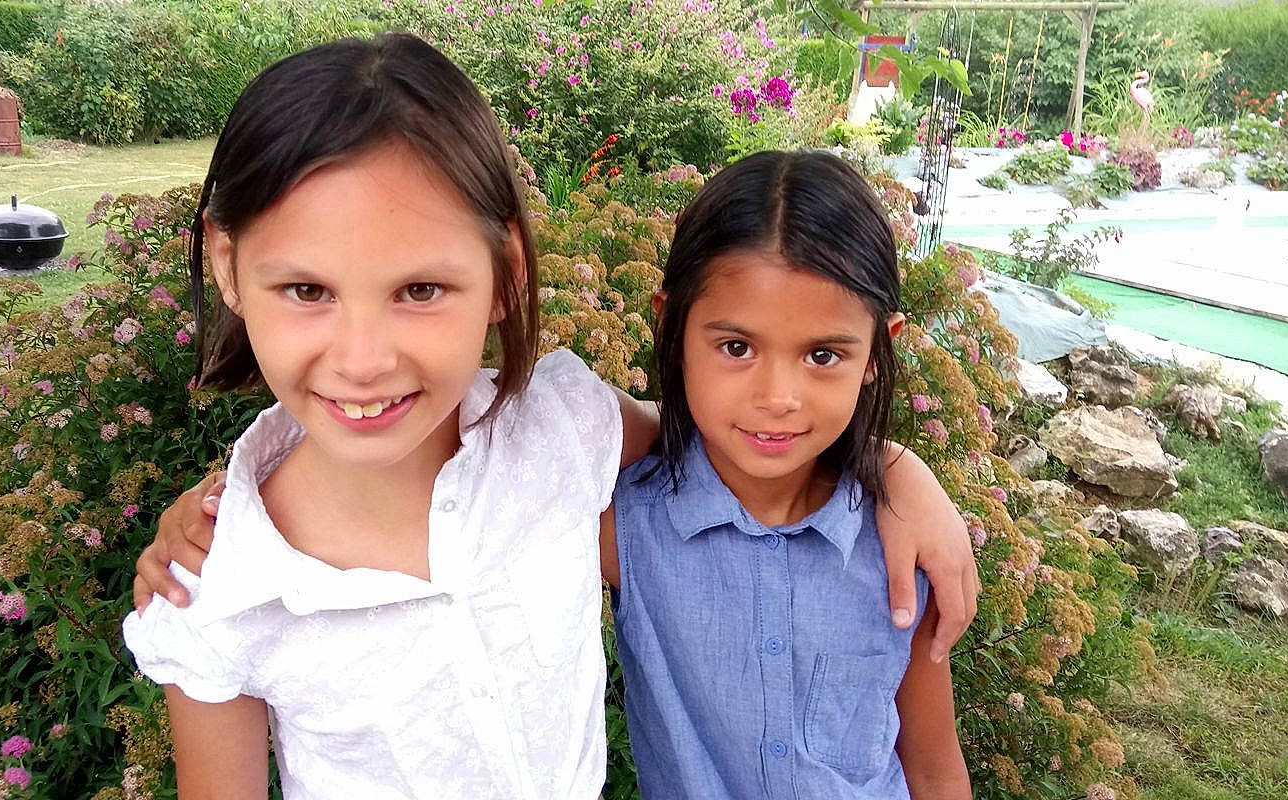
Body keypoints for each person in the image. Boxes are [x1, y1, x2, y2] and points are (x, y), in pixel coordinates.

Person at [126, 33, 978, 799]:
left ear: (508, 273)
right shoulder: (214, 591)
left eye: (420, 289)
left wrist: (896, 470)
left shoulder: (562, 436)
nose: (362, 358)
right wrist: (216, 510)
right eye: (307, 290)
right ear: (228, 267)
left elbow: (728, 448)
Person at [607, 150, 971, 799]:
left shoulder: (905, 550)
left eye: (823, 354)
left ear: (875, 353)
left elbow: (934, 766)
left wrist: (901, 470)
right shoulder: (624, 529)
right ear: (671, 324)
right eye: (736, 347)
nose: (778, 396)